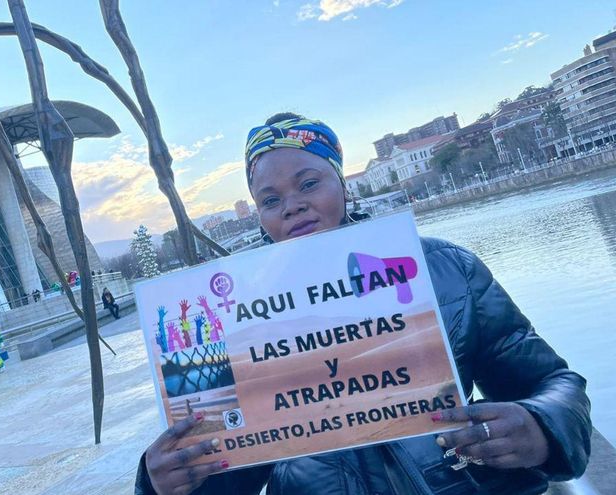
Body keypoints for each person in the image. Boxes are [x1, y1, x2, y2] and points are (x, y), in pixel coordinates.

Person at [134, 114, 591, 494]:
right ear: (261, 214)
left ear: (342, 184)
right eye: (271, 200)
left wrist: (540, 426)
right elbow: (229, 472)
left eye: (308, 183)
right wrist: (162, 482)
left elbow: (552, 382)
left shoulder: (445, 267)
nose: (292, 206)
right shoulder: (228, 319)